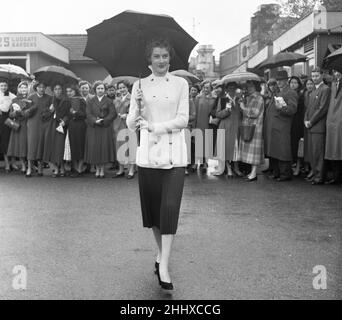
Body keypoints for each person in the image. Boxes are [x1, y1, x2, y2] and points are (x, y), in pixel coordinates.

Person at [126, 38, 189, 292]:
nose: (161, 61)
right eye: (156, 57)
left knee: (170, 207)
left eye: (165, 56)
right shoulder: (138, 86)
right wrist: (136, 107)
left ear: (170, 58)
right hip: (148, 156)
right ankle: (161, 255)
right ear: (149, 60)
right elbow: (131, 124)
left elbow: (183, 119)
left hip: (175, 155)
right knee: (154, 212)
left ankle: (164, 265)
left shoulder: (181, 84)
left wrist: (156, 127)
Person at [264, 70, 298, 182]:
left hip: (282, 125)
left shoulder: (291, 92)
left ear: (286, 80)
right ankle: (276, 172)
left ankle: (285, 174)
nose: (278, 82)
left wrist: (282, 108)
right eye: (277, 80)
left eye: (281, 80)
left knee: (283, 150)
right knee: (274, 149)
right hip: (273, 126)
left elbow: (292, 109)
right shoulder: (277, 92)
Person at [84, 81, 117, 178]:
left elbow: (113, 114)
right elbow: (88, 113)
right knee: (94, 148)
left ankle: (102, 169)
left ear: (105, 90)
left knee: (103, 148)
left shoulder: (109, 101)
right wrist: (94, 120)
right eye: (98, 88)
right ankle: (97, 168)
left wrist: (104, 120)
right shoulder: (90, 101)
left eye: (102, 88)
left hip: (104, 127)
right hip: (93, 128)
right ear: (95, 90)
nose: (100, 90)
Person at [304, 68, 331, 185]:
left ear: (321, 76)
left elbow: (323, 108)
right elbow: (308, 108)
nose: (314, 78)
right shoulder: (313, 90)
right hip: (310, 126)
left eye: (316, 76)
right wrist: (305, 119)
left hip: (318, 126)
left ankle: (319, 177)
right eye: (313, 76)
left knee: (318, 153)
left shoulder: (325, 89)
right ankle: (315, 174)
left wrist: (311, 121)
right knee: (313, 153)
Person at [237, 80, 265, 182]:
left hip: (255, 127)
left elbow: (255, 113)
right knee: (250, 150)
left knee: (254, 152)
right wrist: (242, 104)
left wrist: (243, 108)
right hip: (248, 126)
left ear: (255, 87)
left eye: (250, 86)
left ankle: (253, 173)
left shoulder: (259, 98)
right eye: (247, 86)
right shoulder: (248, 98)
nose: (248, 88)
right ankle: (251, 172)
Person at [214, 82, 242, 177]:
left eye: (234, 88)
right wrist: (226, 110)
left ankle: (236, 167)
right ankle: (228, 168)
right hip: (226, 126)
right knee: (226, 147)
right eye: (230, 88)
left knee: (236, 148)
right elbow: (217, 114)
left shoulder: (239, 99)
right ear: (226, 89)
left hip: (237, 127)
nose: (232, 90)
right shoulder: (222, 100)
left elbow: (241, 113)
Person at [26, 82, 52, 177]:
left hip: (43, 123)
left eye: (43, 87)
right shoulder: (30, 97)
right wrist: (31, 109)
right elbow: (25, 111)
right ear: (36, 88)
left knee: (41, 144)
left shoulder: (49, 98)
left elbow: (50, 112)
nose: (41, 89)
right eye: (39, 87)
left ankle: (40, 167)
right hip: (32, 123)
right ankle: (29, 167)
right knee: (32, 145)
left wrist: (50, 110)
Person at [112, 80, 135, 179]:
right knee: (119, 146)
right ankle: (121, 169)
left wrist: (127, 115)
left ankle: (131, 170)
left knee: (130, 147)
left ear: (128, 88)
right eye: (120, 88)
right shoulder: (116, 100)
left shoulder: (133, 98)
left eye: (123, 87)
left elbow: (136, 112)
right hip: (118, 125)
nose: (122, 89)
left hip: (128, 124)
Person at [7, 81, 30, 173]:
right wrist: (15, 112)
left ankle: (30, 165)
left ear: (28, 89)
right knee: (20, 146)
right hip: (18, 125)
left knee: (29, 146)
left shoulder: (30, 98)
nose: (23, 89)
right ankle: (24, 165)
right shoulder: (14, 100)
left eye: (25, 87)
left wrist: (22, 111)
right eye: (21, 87)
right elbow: (10, 115)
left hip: (28, 124)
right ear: (18, 89)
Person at [48, 84, 70, 177]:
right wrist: (50, 110)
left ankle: (62, 167)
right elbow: (43, 114)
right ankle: (56, 168)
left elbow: (68, 113)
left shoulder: (66, 101)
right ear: (53, 90)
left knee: (60, 147)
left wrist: (64, 121)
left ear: (62, 90)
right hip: (52, 126)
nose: (57, 91)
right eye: (55, 89)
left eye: (59, 89)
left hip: (62, 126)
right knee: (53, 147)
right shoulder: (50, 100)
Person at [65, 84, 87, 178]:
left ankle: (80, 168)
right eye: (67, 91)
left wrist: (75, 113)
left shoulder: (81, 100)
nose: (69, 93)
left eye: (71, 91)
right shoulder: (67, 101)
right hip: (71, 125)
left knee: (80, 146)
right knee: (72, 146)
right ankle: (75, 168)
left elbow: (85, 113)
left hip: (80, 125)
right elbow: (65, 113)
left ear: (75, 91)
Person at [325, 69, 342, 184]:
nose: (336, 74)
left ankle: (337, 176)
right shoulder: (333, 84)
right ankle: (336, 176)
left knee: (338, 147)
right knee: (334, 147)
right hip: (332, 120)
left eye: (338, 72)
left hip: (339, 119)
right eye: (334, 72)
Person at [194, 81, 216, 171]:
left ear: (211, 89)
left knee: (206, 143)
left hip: (208, 123)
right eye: (204, 87)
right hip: (199, 122)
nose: (205, 89)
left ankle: (204, 162)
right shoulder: (198, 98)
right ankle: (196, 162)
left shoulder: (214, 99)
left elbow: (214, 112)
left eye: (207, 88)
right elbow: (195, 112)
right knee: (198, 142)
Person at [289, 76, 305, 176]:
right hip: (289, 122)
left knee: (297, 145)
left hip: (298, 123)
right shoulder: (288, 93)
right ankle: (292, 165)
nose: (293, 84)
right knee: (291, 145)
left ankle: (298, 167)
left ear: (299, 84)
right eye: (291, 82)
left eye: (295, 83)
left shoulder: (301, 95)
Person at [0, 78, 16, 172]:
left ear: (8, 86)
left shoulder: (12, 96)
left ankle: (10, 163)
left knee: (7, 140)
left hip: (7, 120)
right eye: (1, 85)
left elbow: (7, 109)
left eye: (5, 85)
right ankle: (6, 163)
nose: (3, 87)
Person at [303, 78, 315, 179]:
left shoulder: (316, 93)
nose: (309, 86)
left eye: (311, 84)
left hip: (314, 122)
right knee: (307, 147)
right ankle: (308, 167)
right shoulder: (306, 94)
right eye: (308, 84)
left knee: (313, 147)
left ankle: (313, 169)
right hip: (306, 121)